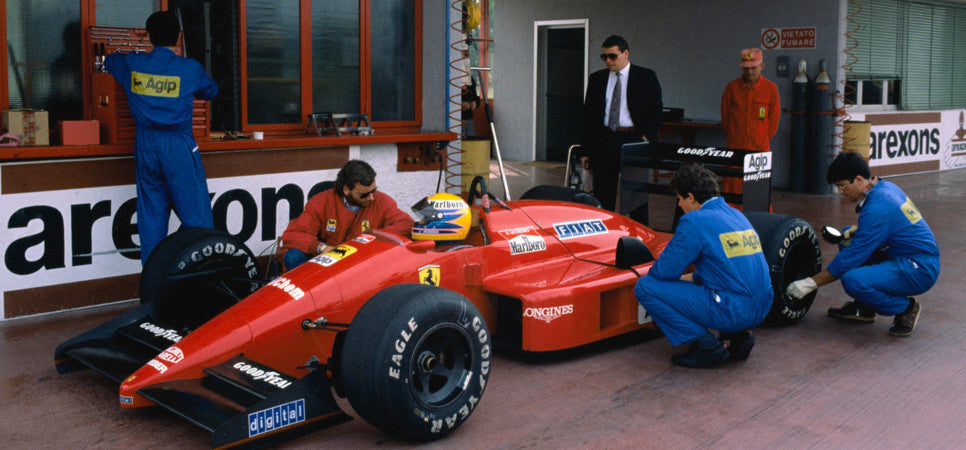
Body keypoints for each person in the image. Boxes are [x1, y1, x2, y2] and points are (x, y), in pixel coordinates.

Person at [104, 10, 218, 265]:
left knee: (152, 221)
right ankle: (199, 281)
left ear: (149, 37)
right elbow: (210, 91)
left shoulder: (133, 65)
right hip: (177, 144)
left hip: (145, 145)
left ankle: (154, 289)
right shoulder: (188, 68)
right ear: (178, 36)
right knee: (196, 218)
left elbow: (110, 62)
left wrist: (133, 54)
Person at [786, 152, 940, 337]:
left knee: (853, 279)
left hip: (919, 267)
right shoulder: (884, 187)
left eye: (842, 186)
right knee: (847, 237)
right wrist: (859, 230)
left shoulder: (878, 207)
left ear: (858, 180)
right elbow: (894, 225)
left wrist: (811, 283)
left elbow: (848, 260)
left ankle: (906, 308)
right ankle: (865, 307)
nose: (841, 193)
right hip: (903, 255)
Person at [635, 163, 772, 368]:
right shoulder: (736, 214)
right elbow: (728, 268)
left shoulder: (694, 220)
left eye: (680, 199)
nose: (680, 205)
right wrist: (689, 279)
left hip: (733, 311)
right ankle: (741, 337)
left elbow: (663, 272)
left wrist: (676, 279)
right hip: (762, 307)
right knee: (716, 286)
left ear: (690, 197)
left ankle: (707, 346)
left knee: (646, 287)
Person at [279, 160, 414, 270]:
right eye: (364, 195)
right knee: (293, 256)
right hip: (326, 262)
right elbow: (292, 235)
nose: (372, 197)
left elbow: (406, 224)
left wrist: (373, 237)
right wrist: (322, 248)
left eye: (374, 190)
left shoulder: (382, 201)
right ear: (346, 190)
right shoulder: (322, 202)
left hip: (361, 264)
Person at [580, 34, 663, 212]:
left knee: (636, 195)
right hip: (604, 139)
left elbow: (656, 110)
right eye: (604, 57)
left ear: (625, 53)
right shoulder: (597, 79)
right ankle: (606, 233)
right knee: (602, 193)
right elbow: (588, 116)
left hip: (632, 138)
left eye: (612, 56)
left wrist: (646, 136)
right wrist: (585, 149)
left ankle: (639, 234)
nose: (608, 61)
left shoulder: (645, 76)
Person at [719, 47, 780, 200]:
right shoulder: (732, 88)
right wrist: (734, 138)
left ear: (762, 66)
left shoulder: (770, 89)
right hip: (734, 148)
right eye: (746, 68)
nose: (750, 72)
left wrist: (760, 139)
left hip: (759, 150)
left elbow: (773, 122)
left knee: (758, 194)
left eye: (753, 68)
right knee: (731, 189)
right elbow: (725, 118)